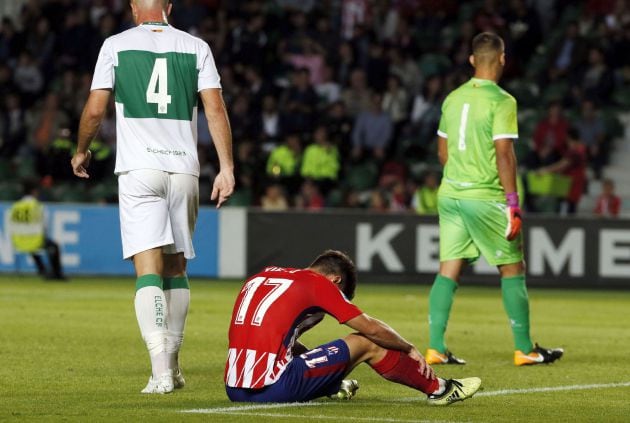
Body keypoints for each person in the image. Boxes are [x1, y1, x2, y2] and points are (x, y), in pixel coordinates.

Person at [71, 0, 234, 394]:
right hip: (183, 170)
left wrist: (81, 149)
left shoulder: (115, 44)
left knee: (148, 270)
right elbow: (215, 108)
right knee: (176, 268)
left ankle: (160, 372)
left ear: (133, 9)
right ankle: (174, 370)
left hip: (139, 170)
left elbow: (95, 110)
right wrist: (226, 167)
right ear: (169, 8)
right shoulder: (196, 47)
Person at [427, 32, 563, 366]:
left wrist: (461, 177)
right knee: (513, 268)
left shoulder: (452, 98)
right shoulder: (502, 101)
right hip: (485, 196)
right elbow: (505, 154)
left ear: (472, 60)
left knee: (449, 269)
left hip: (450, 194)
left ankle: (435, 348)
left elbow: (443, 152)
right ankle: (525, 349)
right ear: (502, 59)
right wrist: (512, 203)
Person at [225, 250, 481, 405]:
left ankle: (331, 387)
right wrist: (407, 346)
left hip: (234, 389)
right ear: (335, 280)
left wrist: (328, 378)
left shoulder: (263, 276)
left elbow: (277, 343)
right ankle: (440, 389)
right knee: (365, 342)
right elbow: (370, 329)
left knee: (301, 354)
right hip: (272, 387)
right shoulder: (319, 284)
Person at [8, 180, 65, 281]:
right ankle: (57, 274)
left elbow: (10, 225)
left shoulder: (15, 207)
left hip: (17, 242)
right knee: (53, 246)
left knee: (33, 248)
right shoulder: (38, 206)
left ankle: (42, 269)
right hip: (35, 241)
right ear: (34, 191)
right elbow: (45, 227)